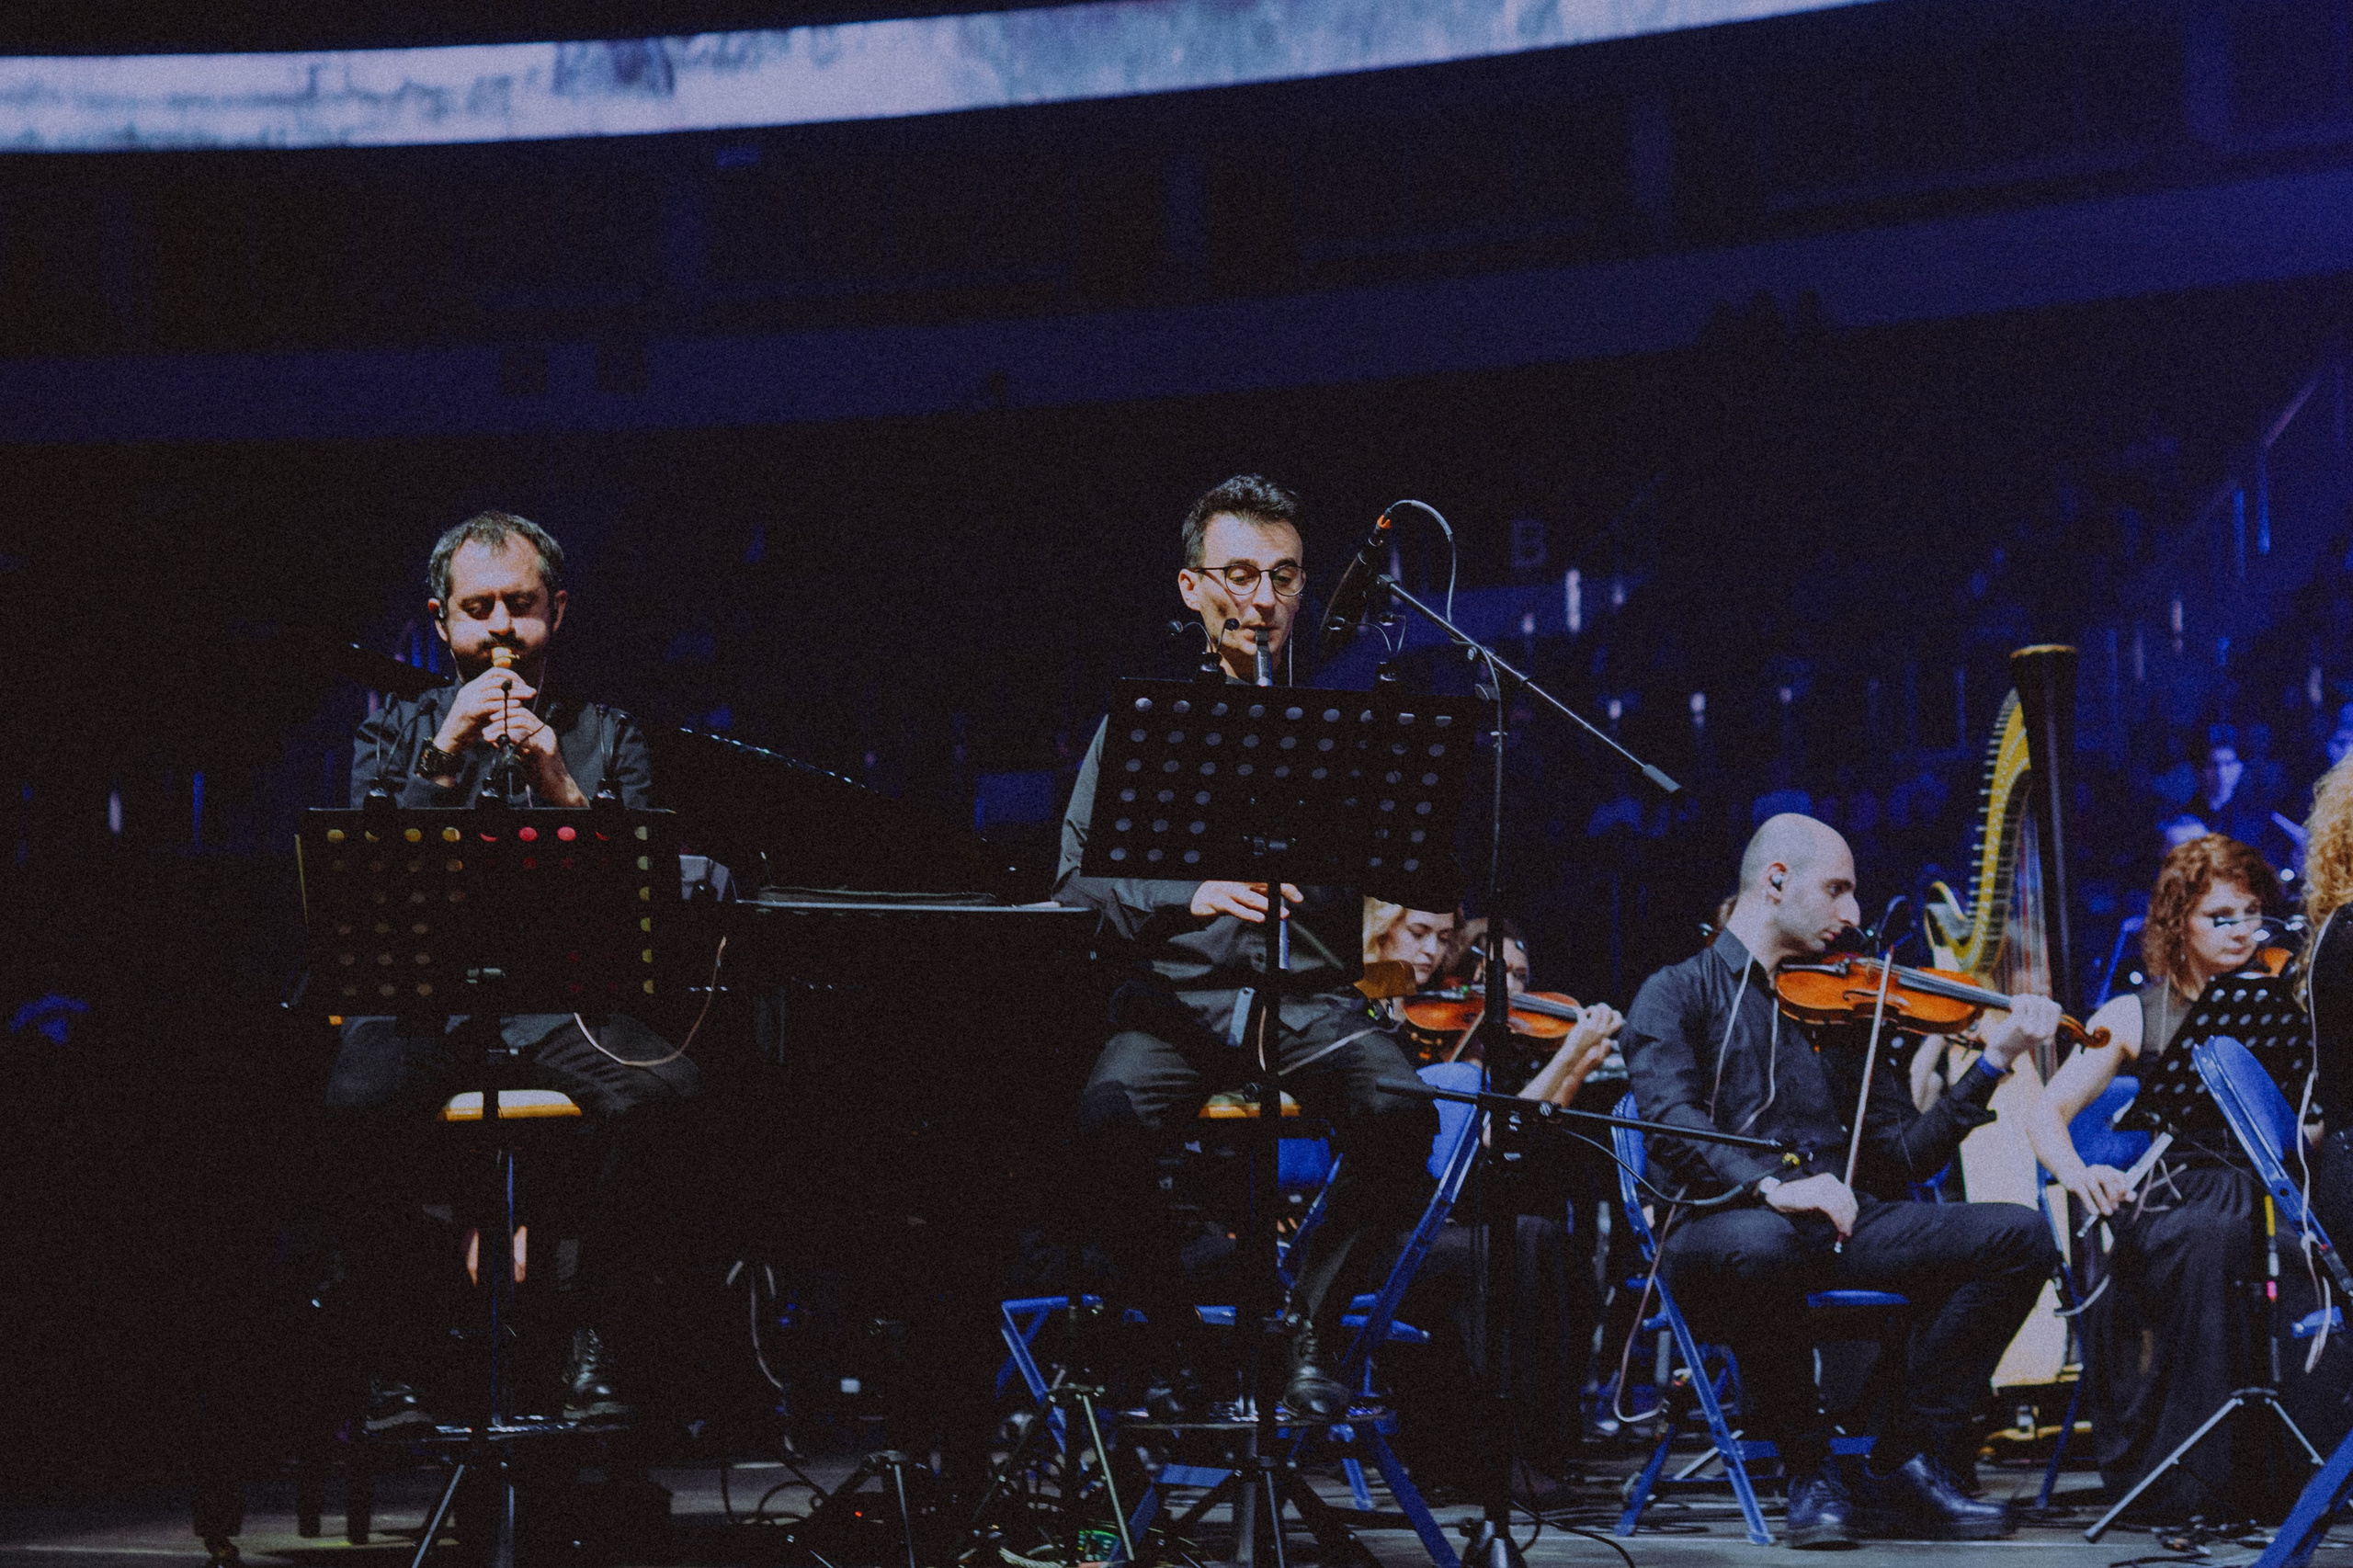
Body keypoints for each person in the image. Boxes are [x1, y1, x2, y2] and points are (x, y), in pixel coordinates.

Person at [1056, 474, 1439, 1420]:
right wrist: (1187, 891)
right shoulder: (1139, 725)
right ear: (1193, 589)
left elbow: (1412, 864)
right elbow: (1073, 882)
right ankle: (1183, 1344)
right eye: (1237, 575)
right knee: (1104, 1121)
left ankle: (1300, 1322)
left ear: (1304, 587)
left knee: (1400, 1112)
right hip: (1176, 1003)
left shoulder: (1346, 732)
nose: (1261, 600)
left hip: (1306, 997)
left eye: (1281, 576)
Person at [330, 511, 702, 1432]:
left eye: (521, 605)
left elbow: (637, 895)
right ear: (440, 619)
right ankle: (401, 1361)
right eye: (477, 607)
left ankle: (597, 1344)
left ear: (558, 611)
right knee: (351, 1110)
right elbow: (369, 883)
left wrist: (556, 781)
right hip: (427, 1003)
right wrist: (445, 755)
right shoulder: (393, 733)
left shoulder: (610, 735)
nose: (500, 627)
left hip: (560, 1006)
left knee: (673, 1101)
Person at [1622, 813, 2060, 1546]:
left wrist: (1992, 1061)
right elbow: (1671, 1123)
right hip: (1717, 1230)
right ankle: (1808, 1468)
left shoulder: (1846, 1008)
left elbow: (1902, 1157)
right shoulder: (1675, 993)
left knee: (2018, 1235)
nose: (1853, 914)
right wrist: (1771, 1185)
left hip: (1834, 1228)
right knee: (1766, 1244)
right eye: (1838, 891)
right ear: (1776, 881)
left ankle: (1896, 1457)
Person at [2019, 834, 2279, 1522]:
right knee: (2214, 1234)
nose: (2241, 931)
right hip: (2177, 1190)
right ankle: (2199, 1479)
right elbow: (2048, 1111)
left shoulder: (2280, 1003)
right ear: (2178, 923)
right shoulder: (2135, 1014)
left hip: (2269, 1184)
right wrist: (2080, 1173)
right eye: (2220, 916)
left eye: (2251, 913)